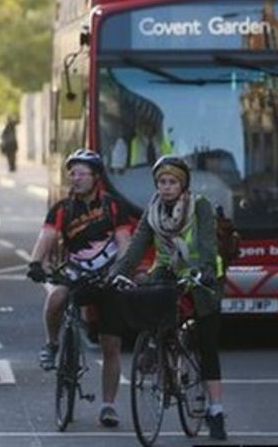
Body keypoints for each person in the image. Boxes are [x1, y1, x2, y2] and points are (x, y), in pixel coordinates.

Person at [110, 155, 228, 440]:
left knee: (207, 342)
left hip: (204, 278)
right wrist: (118, 272)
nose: (166, 187)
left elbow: (207, 245)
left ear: (183, 184)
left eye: (172, 182)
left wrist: (203, 272)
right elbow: (137, 246)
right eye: (161, 182)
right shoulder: (153, 210)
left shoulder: (199, 206)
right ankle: (157, 350)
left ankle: (215, 410)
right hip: (167, 273)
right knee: (147, 300)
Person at [26, 149, 131, 427]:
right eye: (71, 173)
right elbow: (47, 237)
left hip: (108, 278)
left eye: (81, 173)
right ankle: (52, 343)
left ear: (96, 177)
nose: (74, 178)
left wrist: (122, 271)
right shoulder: (62, 209)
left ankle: (108, 406)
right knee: (57, 296)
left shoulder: (113, 206)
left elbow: (124, 243)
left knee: (111, 345)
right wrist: (36, 262)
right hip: (76, 274)